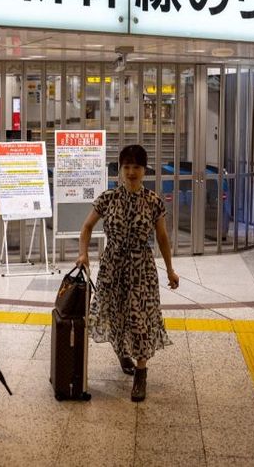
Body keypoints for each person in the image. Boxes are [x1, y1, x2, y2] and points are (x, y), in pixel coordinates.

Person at [76, 144, 180, 402]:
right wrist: (83, 254)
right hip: (112, 267)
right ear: (120, 170)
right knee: (116, 314)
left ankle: (141, 373)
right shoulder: (107, 198)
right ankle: (123, 353)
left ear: (144, 170)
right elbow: (87, 227)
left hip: (141, 269)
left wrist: (170, 269)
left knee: (140, 319)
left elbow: (163, 238)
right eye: (127, 167)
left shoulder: (153, 201)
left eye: (136, 167)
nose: (131, 172)